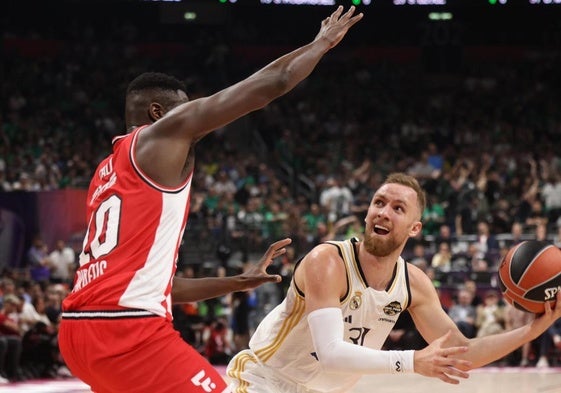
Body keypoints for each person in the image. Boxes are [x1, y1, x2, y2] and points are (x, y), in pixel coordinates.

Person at [58, 6, 363, 393]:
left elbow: (158, 285)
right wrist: (320, 44)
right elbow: (273, 82)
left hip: (77, 333)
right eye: (182, 108)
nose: (190, 116)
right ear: (159, 112)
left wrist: (237, 281)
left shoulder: (105, 173)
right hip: (126, 331)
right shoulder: (160, 136)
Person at [227, 173, 561, 393]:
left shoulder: (413, 283)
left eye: (398, 208)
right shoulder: (326, 262)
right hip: (264, 383)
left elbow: (462, 353)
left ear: (415, 228)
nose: (384, 212)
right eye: (379, 203)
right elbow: (330, 353)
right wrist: (413, 361)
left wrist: (533, 330)